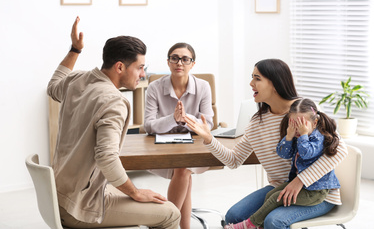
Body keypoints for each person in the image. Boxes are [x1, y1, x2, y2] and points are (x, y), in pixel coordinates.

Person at [47, 17, 180, 228]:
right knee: (171, 213)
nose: (143, 74)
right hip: (80, 207)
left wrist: (75, 49)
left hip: (58, 195)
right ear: (120, 67)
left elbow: (53, 86)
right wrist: (135, 193)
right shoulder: (114, 101)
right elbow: (107, 158)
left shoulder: (78, 79)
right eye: (140, 68)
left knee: (138, 194)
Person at [184, 58, 348, 229]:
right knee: (234, 216)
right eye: (252, 77)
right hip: (278, 189)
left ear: (275, 83)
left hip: (316, 193)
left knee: (273, 221)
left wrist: (300, 181)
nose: (251, 83)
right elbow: (234, 160)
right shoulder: (257, 123)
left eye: (257, 78)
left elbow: (341, 150)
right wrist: (209, 139)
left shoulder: (303, 111)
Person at [224, 98, 341, 229]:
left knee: (275, 202)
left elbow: (306, 153)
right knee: (269, 196)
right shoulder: (299, 136)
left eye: (302, 124)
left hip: (316, 191)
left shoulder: (317, 138)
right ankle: (258, 226)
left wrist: (302, 136)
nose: (298, 129)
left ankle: (250, 224)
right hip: (300, 186)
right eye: (294, 124)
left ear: (315, 123)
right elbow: (283, 154)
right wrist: (289, 137)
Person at [144, 42, 214, 229]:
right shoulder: (154, 87)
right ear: (168, 62)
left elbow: (209, 123)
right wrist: (173, 119)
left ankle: (168, 223)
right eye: (174, 58)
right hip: (163, 145)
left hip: (195, 144)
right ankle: (177, 225)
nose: (179, 63)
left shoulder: (203, 86)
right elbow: (149, 125)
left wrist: (185, 118)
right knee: (183, 171)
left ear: (193, 63)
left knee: (183, 169)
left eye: (185, 59)